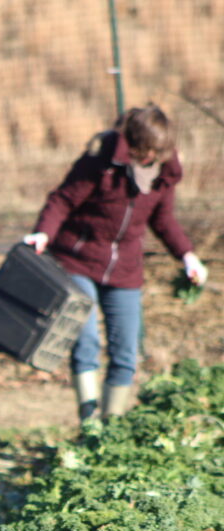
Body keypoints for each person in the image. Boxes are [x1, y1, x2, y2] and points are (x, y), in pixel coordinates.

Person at [23, 104, 208, 422]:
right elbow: (63, 199)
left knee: (126, 352)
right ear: (133, 145)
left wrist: (187, 256)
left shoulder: (164, 172)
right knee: (86, 339)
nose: (151, 158)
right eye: (146, 151)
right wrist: (43, 233)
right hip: (77, 260)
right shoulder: (102, 160)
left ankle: (111, 425)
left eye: (157, 152)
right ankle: (89, 423)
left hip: (125, 269)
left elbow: (163, 220)